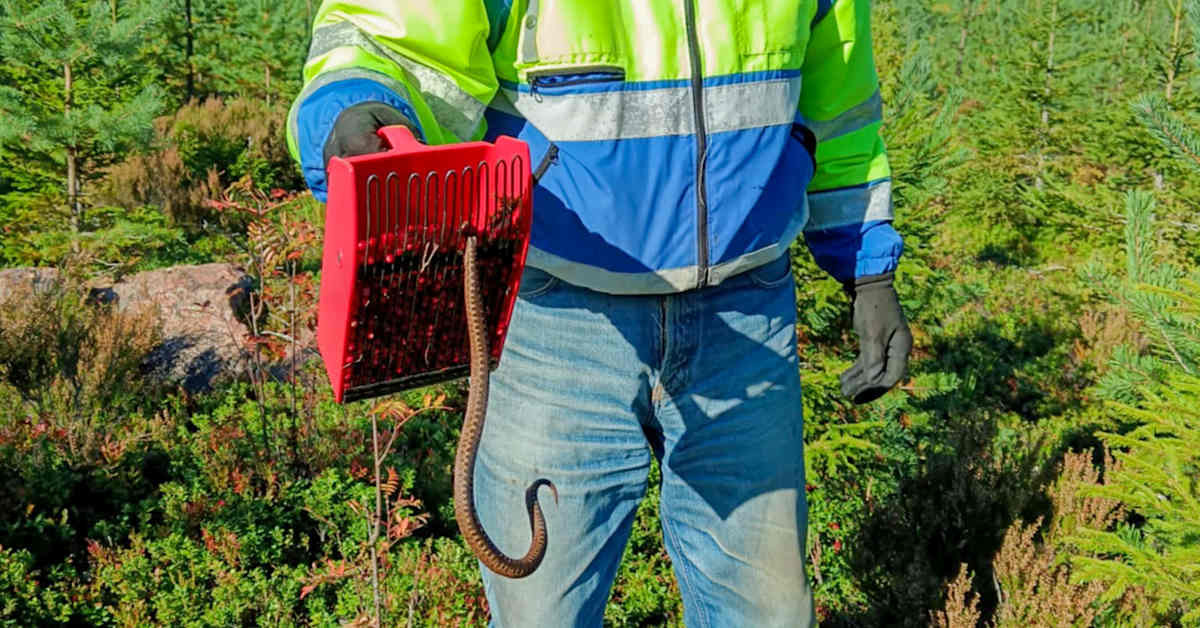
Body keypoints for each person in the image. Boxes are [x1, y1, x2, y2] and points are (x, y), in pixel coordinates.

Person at [288, 1, 912, 625]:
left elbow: (840, 99)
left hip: (747, 311)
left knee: (767, 614)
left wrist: (868, 264)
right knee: (543, 615)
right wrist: (359, 98)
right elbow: (393, 37)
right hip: (557, 315)